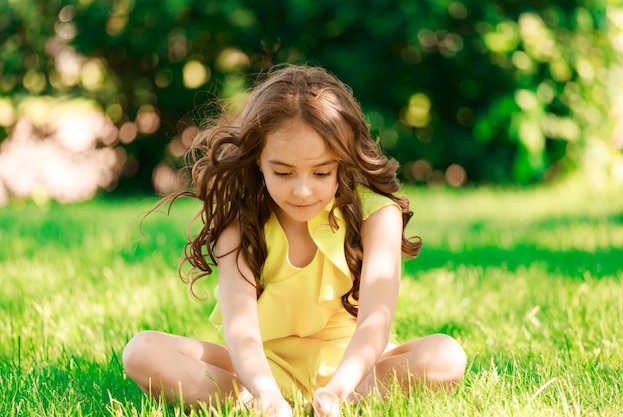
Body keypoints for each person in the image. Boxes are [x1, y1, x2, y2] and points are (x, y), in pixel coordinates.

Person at [122, 65, 466, 417]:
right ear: (258, 160)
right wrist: (265, 390)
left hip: (353, 371)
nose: (302, 190)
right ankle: (268, 405)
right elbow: (241, 332)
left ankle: (329, 403)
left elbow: (374, 324)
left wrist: (339, 389)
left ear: (342, 161)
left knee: (446, 356)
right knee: (142, 350)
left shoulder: (377, 215)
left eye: (321, 172)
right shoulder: (241, 218)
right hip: (259, 370)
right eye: (283, 173)